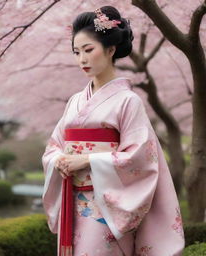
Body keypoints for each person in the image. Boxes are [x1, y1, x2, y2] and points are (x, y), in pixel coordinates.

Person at [42, 5, 185, 256]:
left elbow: (139, 157)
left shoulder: (128, 101)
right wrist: (60, 160)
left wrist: (86, 160)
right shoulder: (74, 101)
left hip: (108, 205)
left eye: (89, 50)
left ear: (110, 49)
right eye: (77, 52)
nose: (82, 59)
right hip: (74, 201)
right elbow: (54, 146)